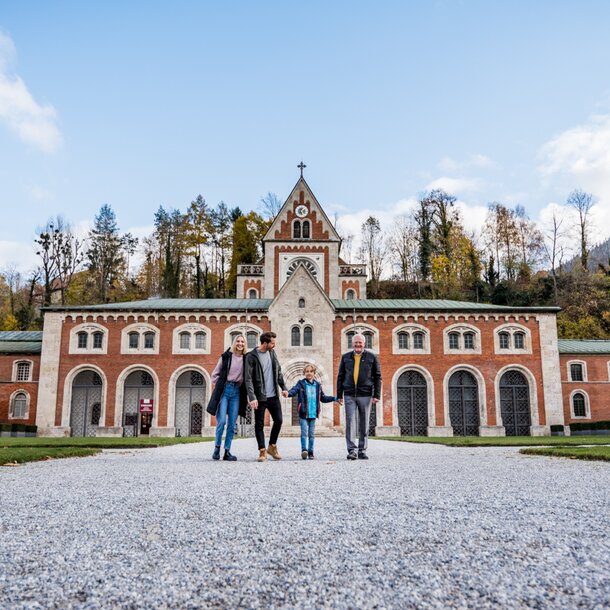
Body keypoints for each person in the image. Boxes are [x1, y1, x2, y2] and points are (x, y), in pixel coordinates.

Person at [336, 333, 382, 460]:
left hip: (366, 394)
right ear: (352, 344)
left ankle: (362, 450)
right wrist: (339, 395)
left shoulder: (372, 357)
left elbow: (378, 377)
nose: (358, 345)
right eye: (355, 342)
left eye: (360, 342)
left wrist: (376, 394)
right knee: (350, 422)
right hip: (349, 394)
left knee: (364, 423)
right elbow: (340, 376)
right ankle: (352, 450)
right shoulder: (346, 357)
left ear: (364, 343)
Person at [244, 331, 288, 462]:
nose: (274, 345)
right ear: (265, 343)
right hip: (260, 396)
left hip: (273, 395)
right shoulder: (251, 356)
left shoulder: (272, 353)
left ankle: (272, 446)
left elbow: (278, 372)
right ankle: (262, 451)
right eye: (272, 343)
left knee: (279, 420)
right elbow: (248, 379)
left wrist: (284, 387)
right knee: (259, 424)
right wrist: (252, 397)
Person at [206, 334, 248, 461]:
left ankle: (227, 451)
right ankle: (217, 448)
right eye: (238, 341)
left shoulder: (246, 359)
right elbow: (214, 375)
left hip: (236, 392)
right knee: (222, 421)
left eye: (242, 342)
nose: (240, 343)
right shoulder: (226, 357)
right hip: (225, 390)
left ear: (245, 344)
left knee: (232, 424)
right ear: (234, 343)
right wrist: (220, 385)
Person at [287, 364, 336, 460]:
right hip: (303, 413)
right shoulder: (301, 383)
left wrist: (335, 398)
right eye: (307, 371)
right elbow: (294, 390)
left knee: (312, 434)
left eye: (311, 371)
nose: (309, 373)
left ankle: (311, 452)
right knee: (304, 433)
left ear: (314, 373)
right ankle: (304, 450)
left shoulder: (318, 385)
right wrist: (288, 393)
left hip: (313, 413)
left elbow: (323, 398)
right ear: (304, 373)